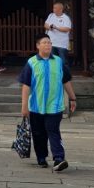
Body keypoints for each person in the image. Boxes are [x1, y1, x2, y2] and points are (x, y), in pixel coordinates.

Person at [19, 34, 77, 172]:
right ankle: (41, 157)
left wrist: (73, 98)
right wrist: (24, 106)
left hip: (54, 105)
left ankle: (59, 158)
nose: (48, 45)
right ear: (38, 46)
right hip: (36, 106)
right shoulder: (31, 63)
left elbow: (66, 81)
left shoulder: (58, 61)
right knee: (38, 134)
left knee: (53, 131)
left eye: (49, 43)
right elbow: (26, 86)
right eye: (44, 43)